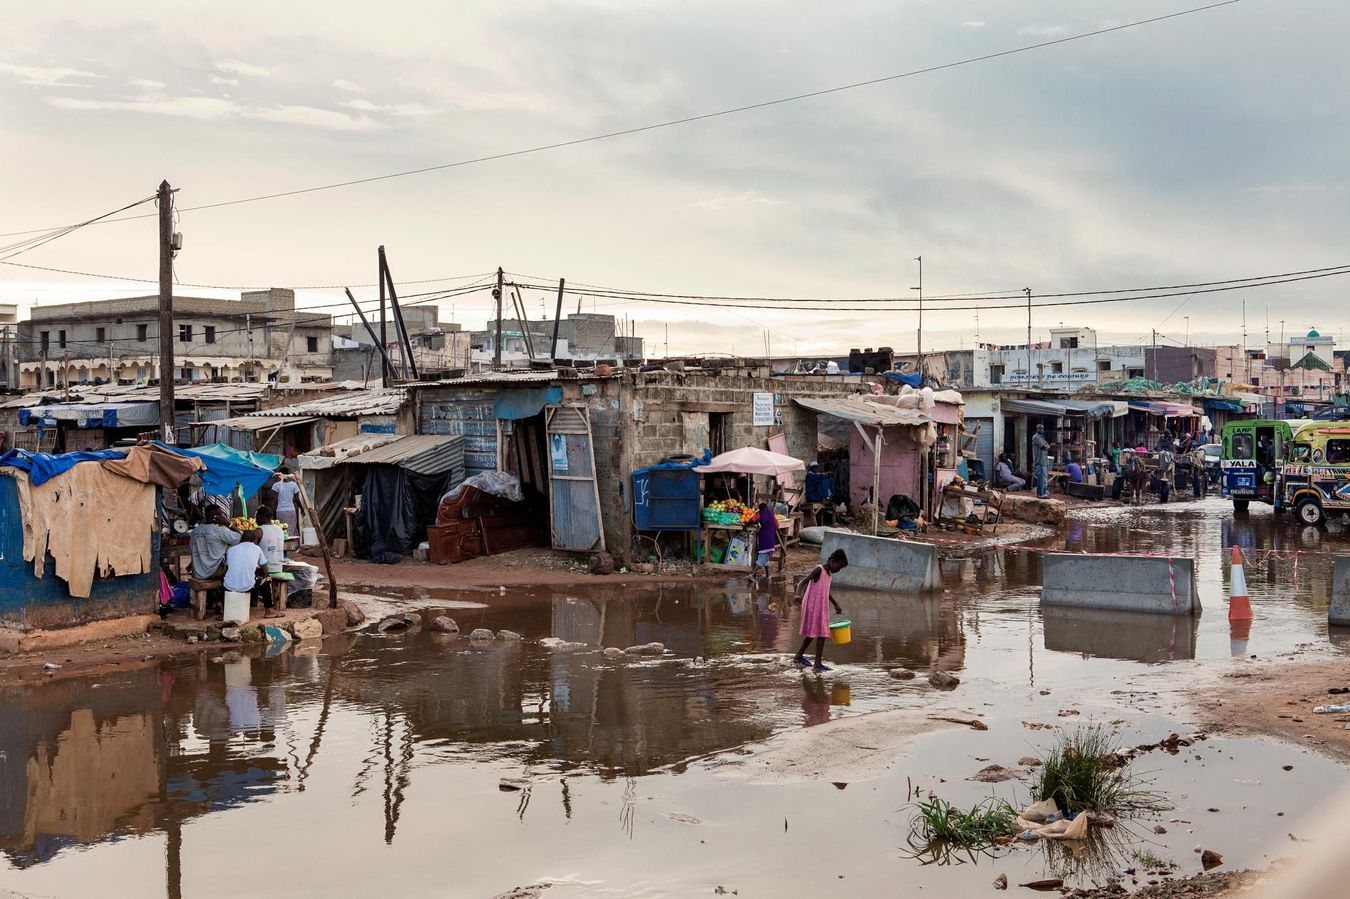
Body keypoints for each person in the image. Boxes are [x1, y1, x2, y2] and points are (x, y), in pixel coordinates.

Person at [793, 549, 847, 673]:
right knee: (821, 634)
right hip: (812, 605)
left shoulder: (828, 574)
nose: (838, 570)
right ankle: (817, 665)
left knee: (814, 632)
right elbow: (803, 581)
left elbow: (826, 591)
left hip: (821, 606)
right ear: (833, 561)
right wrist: (797, 594)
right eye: (838, 567)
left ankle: (798, 656)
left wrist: (835, 604)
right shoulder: (819, 569)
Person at [223, 528, 280, 618]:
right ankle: (269, 610)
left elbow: (228, 568)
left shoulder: (231, 549)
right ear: (254, 540)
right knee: (267, 578)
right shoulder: (257, 548)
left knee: (229, 577)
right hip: (247, 587)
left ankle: (223, 609)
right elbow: (265, 570)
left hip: (228, 586)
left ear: (241, 538)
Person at [189, 507, 240, 579]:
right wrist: (228, 524)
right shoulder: (220, 531)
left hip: (198, 574)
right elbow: (240, 537)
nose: (223, 517)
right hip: (215, 573)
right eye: (221, 515)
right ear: (216, 517)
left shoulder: (195, 531)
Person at [751, 502, 779, 585]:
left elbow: (753, 519)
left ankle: (767, 575)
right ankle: (752, 575)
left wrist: (745, 525)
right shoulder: (771, 514)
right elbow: (777, 526)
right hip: (770, 538)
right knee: (763, 557)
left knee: (765, 556)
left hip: (763, 537)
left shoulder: (760, 513)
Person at [269, 467, 303, 535]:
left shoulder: (276, 485)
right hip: (291, 511)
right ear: (288, 474)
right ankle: (293, 545)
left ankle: (284, 545)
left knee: (281, 531)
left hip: (280, 511)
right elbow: (297, 500)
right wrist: (302, 509)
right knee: (291, 529)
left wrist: (273, 513)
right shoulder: (293, 485)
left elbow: (275, 501)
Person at [256, 506, 286, 572]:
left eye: (256, 516)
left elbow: (251, 549)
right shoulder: (279, 529)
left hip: (265, 570)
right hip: (279, 568)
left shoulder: (259, 530)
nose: (256, 519)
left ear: (261, 517)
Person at [1032, 424, 1051, 498]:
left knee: (1044, 478)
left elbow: (1047, 445)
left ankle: (1044, 493)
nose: (1041, 430)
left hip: (1044, 460)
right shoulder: (1036, 437)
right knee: (1041, 478)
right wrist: (1047, 446)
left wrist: (1047, 446)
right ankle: (1040, 494)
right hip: (1039, 461)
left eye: (1042, 428)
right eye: (1040, 428)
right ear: (1037, 429)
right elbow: (1043, 447)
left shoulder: (1041, 437)